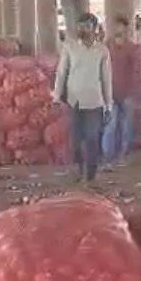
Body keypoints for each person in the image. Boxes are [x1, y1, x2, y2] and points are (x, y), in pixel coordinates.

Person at [52, 12, 113, 184]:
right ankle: (79, 170)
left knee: (92, 139)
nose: (82, 30)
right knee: (76, 141)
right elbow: (61, 73)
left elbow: (106, 79)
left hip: (95, 101)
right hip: (74, 101)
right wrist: (56, 97)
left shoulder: (102, 51)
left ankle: (91, 175)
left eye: (86, 27)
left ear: (94, 29)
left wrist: (109, 105)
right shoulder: (69, 48)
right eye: (80, 27)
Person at [102, 16, 137, 169]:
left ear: (125, 29)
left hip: (128, 91)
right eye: (116, 26)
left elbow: (136, 69)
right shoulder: (106, 47)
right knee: (110, 126)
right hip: (109, 92)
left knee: (126, 126)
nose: (118, 29)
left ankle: (123, 155)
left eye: (121, 26)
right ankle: (108, 157)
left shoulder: (131, 47)